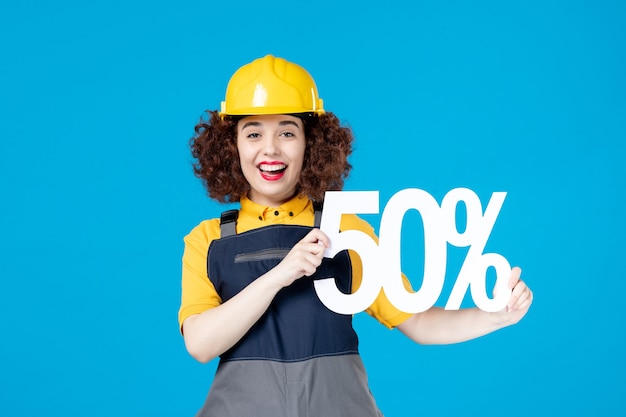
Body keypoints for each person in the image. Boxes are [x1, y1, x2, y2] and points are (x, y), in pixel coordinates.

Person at [178, 54, 533, 417]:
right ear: (231, 146)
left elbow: (421, 323)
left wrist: (497, 315)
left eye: (287, 132)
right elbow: (201, 344)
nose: (270, 149)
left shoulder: (346, 231)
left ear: (310, 144)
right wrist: (281, 275)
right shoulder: (208, 241)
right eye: (253, 133)